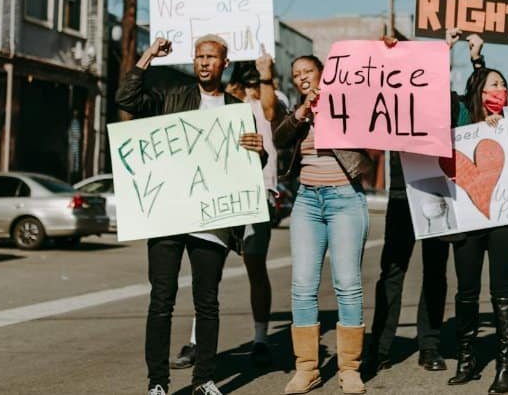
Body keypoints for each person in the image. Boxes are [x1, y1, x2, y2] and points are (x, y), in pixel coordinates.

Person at [116, 35, 268, 395]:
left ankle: (204, 380)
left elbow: (248, 167)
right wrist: (148, 55)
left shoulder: (238, 109)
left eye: (211, 57)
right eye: (199, 56)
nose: (203, 62)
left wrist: (258, 152)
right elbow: (126, 98)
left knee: (207, 302)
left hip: (211, 220)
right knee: (161, 300)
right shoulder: (172, 96)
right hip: (169, 214)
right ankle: (157, 383)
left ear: (224, 63)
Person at [365, 29, 486, 376]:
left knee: (435, 272)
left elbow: (478, 103)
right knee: (392, 272)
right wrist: (386, 53)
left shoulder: (453, 104)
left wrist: (475, 58)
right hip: (404, 195)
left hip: (440, 194)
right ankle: (380, 348)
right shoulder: (397, 97)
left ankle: (429, 346)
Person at [172, 52, 286, 371]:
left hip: (256, 191)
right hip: (220, 189)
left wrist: (265, 74)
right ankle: (196, 341)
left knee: (255, 266)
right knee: (208, 271)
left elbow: (270, 109)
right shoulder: (224, 102)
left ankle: (261, 339)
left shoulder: (272, 97)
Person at [275, 55, 375, 395]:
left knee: (347, 283)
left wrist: (328, 109)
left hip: (345, 198)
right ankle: (307, 368)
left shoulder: (345, 103)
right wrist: (303, 112)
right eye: (297, 74)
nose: (302, 77)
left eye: (308, 71)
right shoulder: (298, 113)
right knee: (302, 284)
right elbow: (279, 139)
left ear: (323, 74)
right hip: (307, 201)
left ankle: (350, 369)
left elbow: (370, 130)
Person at [446, 65, 508, 394]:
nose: (500, 90)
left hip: (504, 220)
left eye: (504, 86)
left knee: (501, 290)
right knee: (466, 290)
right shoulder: (461, 117)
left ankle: (507, 364)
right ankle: (467, 358)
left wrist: (503, 131)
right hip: (466, 218)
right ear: (478, 91)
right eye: (494, 85)